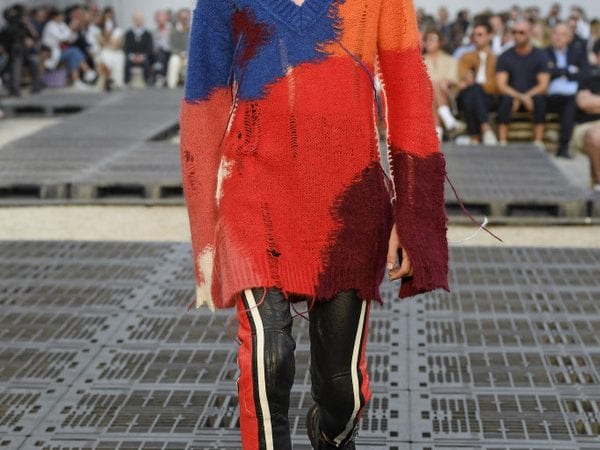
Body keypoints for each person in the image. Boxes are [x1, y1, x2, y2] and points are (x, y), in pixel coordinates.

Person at [179, 0, 449, 448]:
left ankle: (328, 430)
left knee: (343, 393)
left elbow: (408, 91)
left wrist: (413, 215)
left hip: (350, 210)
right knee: (268, 361)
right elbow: (204, 103)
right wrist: (206, 243)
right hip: (255, 203)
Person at [495, 19, 551, 148]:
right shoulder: (505, 56)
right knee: (505, 100)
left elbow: (543, 85)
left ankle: (538, 141)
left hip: (532, 96)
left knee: (540, 100)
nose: (517, 35)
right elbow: (501, 85)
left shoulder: (540, 55)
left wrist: (526, 96)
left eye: (521, 32)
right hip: (512, 96)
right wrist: (520, 97)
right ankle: (502, 141)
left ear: (529, 33)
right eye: (514, 32)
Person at [545, 23, 589, 158]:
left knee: (571, 103)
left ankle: (564, 146)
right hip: (549, 95)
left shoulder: (576, 53)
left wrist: (559, 72)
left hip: (571, 96)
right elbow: (545, 72)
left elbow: (584, 74)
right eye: (556, 33)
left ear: (569, 38)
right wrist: (568, 71)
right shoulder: (544, 53)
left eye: (562, 34)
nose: (558, 37)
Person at [457, 21, 500, 144]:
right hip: (468, 94)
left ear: (489, 36)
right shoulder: (466, 56)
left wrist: (478, 85)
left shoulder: (496, 58)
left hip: (488, 97)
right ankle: (485, 128)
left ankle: (474, 135)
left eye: (480, 34)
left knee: (474, 91)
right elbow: (461, 77)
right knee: (472, 92)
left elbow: (496, 86)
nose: (476, 38)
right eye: (474, 35)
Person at [41, 8, 97, 90]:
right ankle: (87, 71)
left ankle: (77, 81)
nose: (62, 18)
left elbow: (70, 39)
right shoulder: (50, 26)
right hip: (50, 52)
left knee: (73, 56)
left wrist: (74, 30)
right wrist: (70, 28)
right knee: (73, 51)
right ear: (54, 17)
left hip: (59, 51)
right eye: (60, 16)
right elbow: (62, 37)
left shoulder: (62, 24)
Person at [422, 28, 462, 140]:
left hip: (447, 95)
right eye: (426, 40)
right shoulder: (419, 61)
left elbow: (454, 79)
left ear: (440, 42)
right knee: (431, 89)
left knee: (435, 86)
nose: (428, 42)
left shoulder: (450, 60)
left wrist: (444, 82)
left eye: (432, 39)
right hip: (426, 96)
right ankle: (448, 120)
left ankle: (438, 130)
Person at [572, 41, 600, 192]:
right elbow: (584, 103)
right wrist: (591, 104)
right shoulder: (588, 75)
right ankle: (598, 181)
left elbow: (591, 103)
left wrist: (595, 102)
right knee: (596, 136)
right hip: (588, 126)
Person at [123, 12, 153, 86]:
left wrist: (142, 56)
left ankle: (147, 80)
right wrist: (132, 56)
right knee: (127, 62)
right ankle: (127, 81)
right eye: (136, 19)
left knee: (147, 62)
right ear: (133, 21)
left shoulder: (148, 34)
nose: (138, 21)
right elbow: (126, 47)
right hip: (132, 56)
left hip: (143, 56)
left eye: (140, 19)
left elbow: (149, 48)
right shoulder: (128, 33)